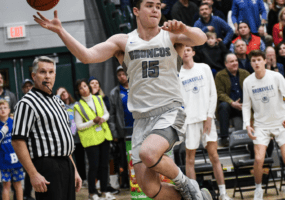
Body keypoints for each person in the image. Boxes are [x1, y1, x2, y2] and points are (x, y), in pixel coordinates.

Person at [33, 0, 212, 199]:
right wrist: (61, 32)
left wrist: (185, 27)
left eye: (158, 6)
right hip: (141, 120)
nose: (155, 9)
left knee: (149, 154)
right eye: (149, 5)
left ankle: (187, 184)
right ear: (135, 11)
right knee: (150, 189)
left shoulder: (170, 34)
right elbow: (87, 56)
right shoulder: (123, 41)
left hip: (170, 111)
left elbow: (202, 39)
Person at [11, 56, 82, 200]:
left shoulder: (57, 101)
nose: (47, 76)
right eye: (43, 72)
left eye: (51, 72)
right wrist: (33, 174)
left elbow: (63, 138)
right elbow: (18, 141)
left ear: (55, 75)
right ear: (34, 75)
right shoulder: (26, 103)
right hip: (46, 166)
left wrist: (74, 169)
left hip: (66, 163)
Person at [179, 46, 232, 200]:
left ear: (194, 52)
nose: (186, 52)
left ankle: (223, 193)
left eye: (188, 49)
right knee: (190, 160)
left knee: (214, 156)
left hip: (206, 119)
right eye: (182, 50)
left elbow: (213, 93)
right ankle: (196, 196)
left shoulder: (204, 68)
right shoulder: (178, 74)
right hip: (189, 122)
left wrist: (209, 116)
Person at [242, 50, 285, 200]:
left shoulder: (277, 77)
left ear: (265, 61)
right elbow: (246, 106)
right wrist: (247, 124)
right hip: (261, 125)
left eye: (259, 60)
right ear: (250, 63)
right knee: (259, 159)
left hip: (281, 122)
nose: (256, 63)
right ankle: (258, 189)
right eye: (253, 60)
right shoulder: (247, 82)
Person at [74, 79, 115, 200]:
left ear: (89, 87)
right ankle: (92, 192)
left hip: (104, 135)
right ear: (78, 91)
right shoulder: (77, 106)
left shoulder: (98, 98)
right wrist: (93, 122)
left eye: (85, 86)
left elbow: (107, 114)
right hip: (90, 139)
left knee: (104, 165)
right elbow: (78, 126)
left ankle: (104, 191)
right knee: (94, 166)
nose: (84, 89)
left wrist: (102, 119)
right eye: (81, 88)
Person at [0, 100, 24, 200]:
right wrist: (2, 132)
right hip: (4, 162)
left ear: (9, 110)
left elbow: (21, 140)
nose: (3, 110)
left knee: (18, 185)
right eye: (0, 108)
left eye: (5, 108)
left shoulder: (14, 123)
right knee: (6, 185)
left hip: (17, 161)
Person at [215, 53, 250, 146]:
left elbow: (251, 90)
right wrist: (232, 102)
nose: (235, 63)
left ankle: (254, 135)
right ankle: (224, 138)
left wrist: (245, 104)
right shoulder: (220, 75)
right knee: (223, 106)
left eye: (236, 60)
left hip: (244, 106)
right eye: (231, 61)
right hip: (229, 107)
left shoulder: (245, 73)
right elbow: (220, 93)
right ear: (226, 64)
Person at [56, 87, 88, 188]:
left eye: (64, 92)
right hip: (66, 138)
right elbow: (54, 105)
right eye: (61, 94)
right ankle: (71, 179)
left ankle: (83, 179)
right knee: (68, 160)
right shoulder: (60, 106)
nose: (63, 94)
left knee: (80, 159)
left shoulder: (76, 104)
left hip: (78, 137)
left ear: (68, 93)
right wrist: (58, 94)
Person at [108, 66, 134, 189]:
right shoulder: (115, 92)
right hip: (124, 132)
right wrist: (114, 133)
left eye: (123, 74)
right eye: (119, 75)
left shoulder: (136, 87)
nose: (122, 76)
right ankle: (127, 183)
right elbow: (112, 115)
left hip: (139, 129)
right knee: (125, 159)